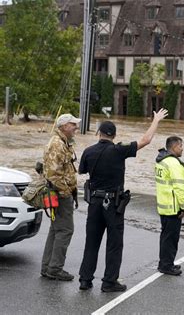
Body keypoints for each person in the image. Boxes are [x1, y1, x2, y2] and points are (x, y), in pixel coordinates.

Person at [78, 108, 168, 292]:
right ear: (115, 135)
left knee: (91, 242)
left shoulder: (88, 151)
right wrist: (156, 120)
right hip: (113, 205)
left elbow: (81, 171)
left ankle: (85, 280)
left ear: (98, 133)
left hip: (94, 203)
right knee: (114, 244)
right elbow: (146, 140)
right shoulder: (119, 150)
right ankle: (109, 282)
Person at [41, 113, 81, 281]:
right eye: (73, 124)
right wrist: (66, 193)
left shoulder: (62, 142)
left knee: (56, 230)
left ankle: (48, 267)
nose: (76, 127)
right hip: (59, 194)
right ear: (64, 126)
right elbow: (53, 175)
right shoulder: (58, 144)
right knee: (65, 230)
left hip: (57, 193)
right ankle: (55, 269)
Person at [155, 136, 184, 276]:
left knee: (165, 237)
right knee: (171, 238)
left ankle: (164, 262)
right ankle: (167, 265)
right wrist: (183, 206)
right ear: (174, 147)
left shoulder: (161, 160)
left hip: (164, 206)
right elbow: (180, 187)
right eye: (181, 146)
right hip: (173, 207)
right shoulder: (174, 163)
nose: (182, 149)